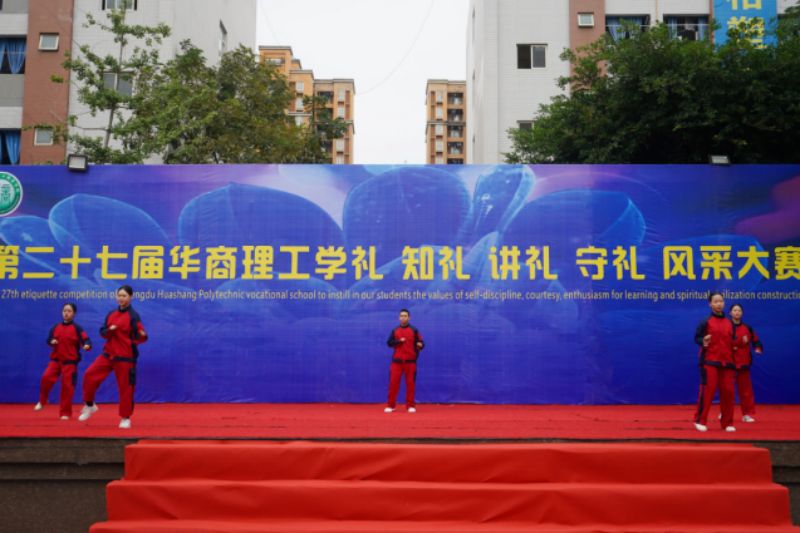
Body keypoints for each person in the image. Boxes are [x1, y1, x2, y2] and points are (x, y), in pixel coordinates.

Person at [78, 285, 147, 429]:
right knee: (89, 375)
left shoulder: (133, 316)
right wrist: (110, 330)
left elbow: (140, 336)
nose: (121, 298)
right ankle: (90, 405)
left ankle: (125, 418)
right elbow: (103, 333)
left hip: (125, 357)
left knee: (126, 388)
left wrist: (142, 336)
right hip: (108, 354)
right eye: (119, 295)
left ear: (130, 297)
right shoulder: (111, 314)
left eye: (124, 296)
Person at [34, 303, 92, 419]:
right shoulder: (56, 327)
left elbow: (86, 340)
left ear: (74, 313)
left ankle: (65, 413)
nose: (66, 313)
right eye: (64, 310)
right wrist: (52, 341)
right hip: (55, 361)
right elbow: (49, 339)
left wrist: (87, 345)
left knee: (67, 387)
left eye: (69, 311)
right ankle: (43, 400)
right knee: (46, 378)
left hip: (70, 363)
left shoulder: (77, 328)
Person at [693, 291, 736, 432]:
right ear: (710, 304)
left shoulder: (729, 323)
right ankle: (700, 420)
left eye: (721, 301)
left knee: (728, 392)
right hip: (709, 361)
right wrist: (703, 341)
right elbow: (697, 338)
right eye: (716, 301)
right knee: (708, 391)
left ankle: (727, 423)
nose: (719, 304)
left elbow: (732, 342)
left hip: (727, 363)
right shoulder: (706, 322)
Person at [385, 308, 424, 413]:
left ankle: (410, 406)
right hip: (396, 362)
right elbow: (389, 343)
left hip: (410, 362)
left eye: (405, 316)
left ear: (409, 318)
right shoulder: (395, 330)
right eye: (401, 316)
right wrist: (398, 341)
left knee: (410, 384)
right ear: (399, 318)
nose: (403, 318)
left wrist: (420, 345)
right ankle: (391, 405)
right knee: (393, 384)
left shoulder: (414, 330)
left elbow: (421, 343)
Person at [730, 303, 763, 423]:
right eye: (734, 310)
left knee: (745, 390)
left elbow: (756, 341)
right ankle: (725, 412)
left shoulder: (747, 328)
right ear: (730, 313)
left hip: (743, 362)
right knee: (727, 390)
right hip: (728, 362)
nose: (737, 312)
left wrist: (758, 348)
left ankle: (747, 414)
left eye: (739, 310)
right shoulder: (725, 326)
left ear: (742, 313)